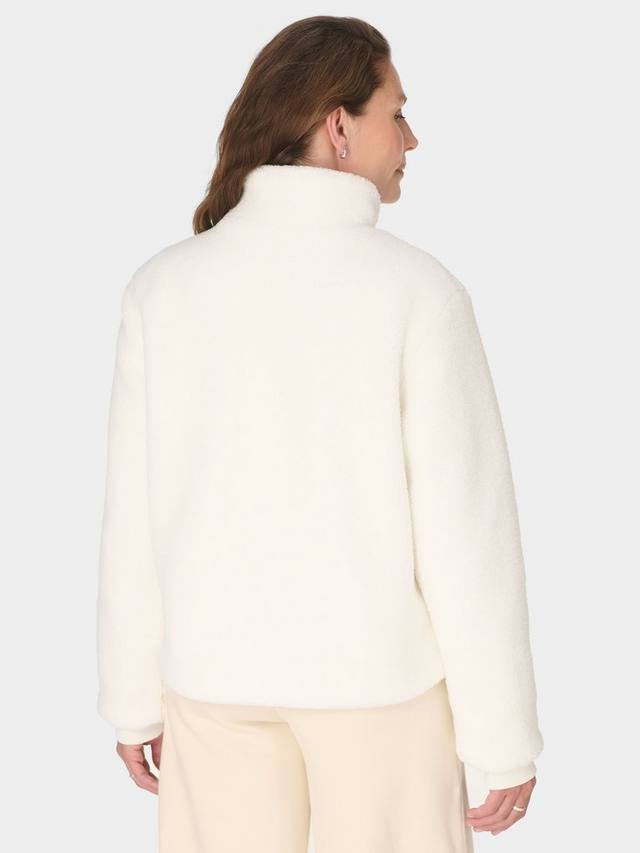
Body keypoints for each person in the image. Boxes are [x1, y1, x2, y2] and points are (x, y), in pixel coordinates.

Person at [96, 15, 544, 852]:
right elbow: (467, 535)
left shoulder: (163, 288)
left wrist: (131, 697)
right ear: (339, 126)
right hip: (378, 689)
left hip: (214, 682)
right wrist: (503, 736)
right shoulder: (417, 293)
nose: (411, 137)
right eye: (396, 113)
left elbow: (133, 514)